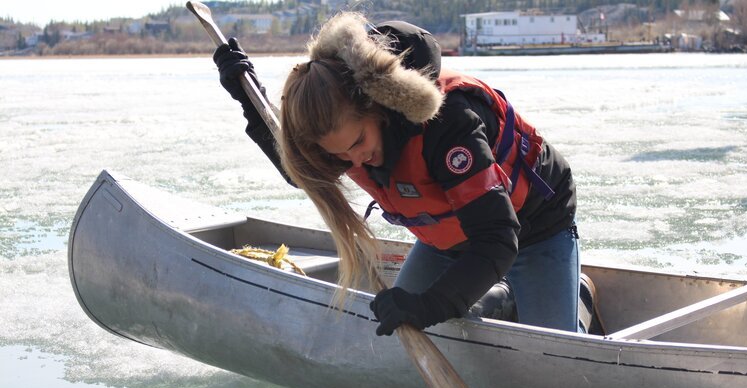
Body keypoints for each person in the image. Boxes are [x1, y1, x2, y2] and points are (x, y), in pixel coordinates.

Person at [213, 13, 583, 335]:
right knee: (398, 334)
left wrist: (427, 307)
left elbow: (497, 238)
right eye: (338, 154)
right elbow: (302, 173)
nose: (354, 161)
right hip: (449, 238)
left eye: (358, 142)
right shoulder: (348, 145)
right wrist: (248, 99)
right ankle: (500, 298)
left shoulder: (447, 125)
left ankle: (573, 298)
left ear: (378, 109)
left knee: (553, 363)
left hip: (535, 227)